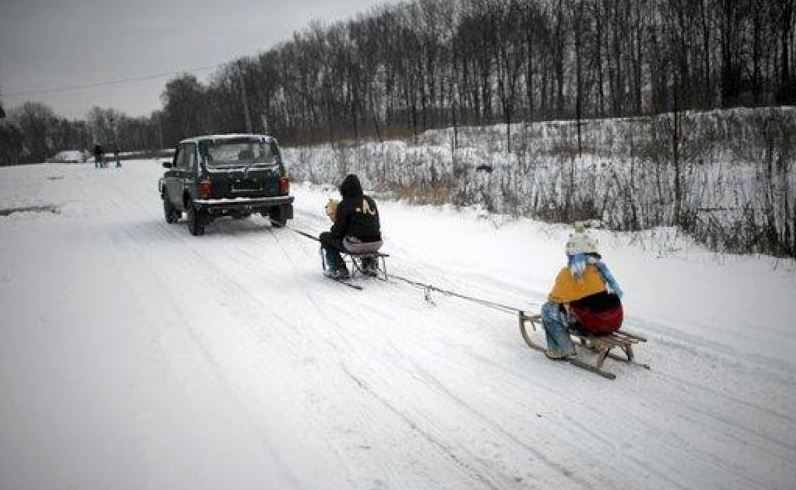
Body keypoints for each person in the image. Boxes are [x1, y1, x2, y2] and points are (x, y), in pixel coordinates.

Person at [541, 223, 624, 359]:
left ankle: (562, 350)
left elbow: (553, 299)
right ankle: (595, 343)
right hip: (613, 321)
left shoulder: (569, 273)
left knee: (548, 309)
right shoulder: (600, 269)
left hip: (593, 323)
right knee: (589, 303)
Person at [319, 174, 382, 279]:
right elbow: (376, 225)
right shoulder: (371, 201)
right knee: (365, 234)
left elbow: (337, 232)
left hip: (355, 245)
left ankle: (338, 268)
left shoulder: (345, 204)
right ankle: (369, 264)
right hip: (376, 243)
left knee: (324, 237)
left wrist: (334, 227)